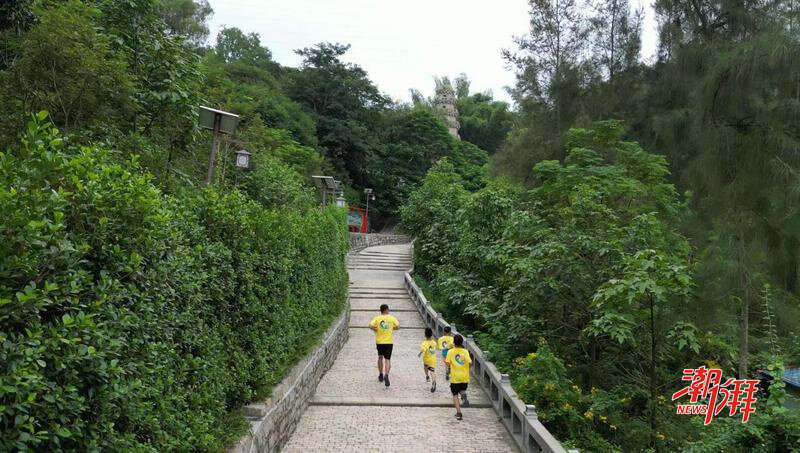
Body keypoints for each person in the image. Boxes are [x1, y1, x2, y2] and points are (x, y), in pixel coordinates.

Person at [369, 303, 399, 387]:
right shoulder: (391, 318)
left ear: (381, 310)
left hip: (379, 342)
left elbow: (370, 325)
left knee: (380, 357)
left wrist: (376, 329)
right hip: (389, 342)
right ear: (386, 310)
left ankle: (380, 374)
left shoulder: (377, 318)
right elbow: (398, 326)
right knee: (387, 359)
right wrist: (391, 328)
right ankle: (386, 374)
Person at [445, 334, 472, 420]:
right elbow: (470, 363)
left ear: (454, 342)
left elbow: (447, 363)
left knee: (455, 394)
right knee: (462, 389)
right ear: (462, 342)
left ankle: (459, 413)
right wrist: (467, 370)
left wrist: (448, 371)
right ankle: (463, 393)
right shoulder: (465, 351)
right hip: (465, 377)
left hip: (455, 377)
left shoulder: (450, 352)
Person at [418, 327, 438, 392]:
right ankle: (434, 381)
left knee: (425, 367)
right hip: (433, 359)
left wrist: (420, 353)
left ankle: (427, 376)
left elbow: (423, 349)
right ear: (431, 334)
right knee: (432, 371)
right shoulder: (434, 342)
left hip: (426, 359)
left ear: (425, 335)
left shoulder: (424, 343)